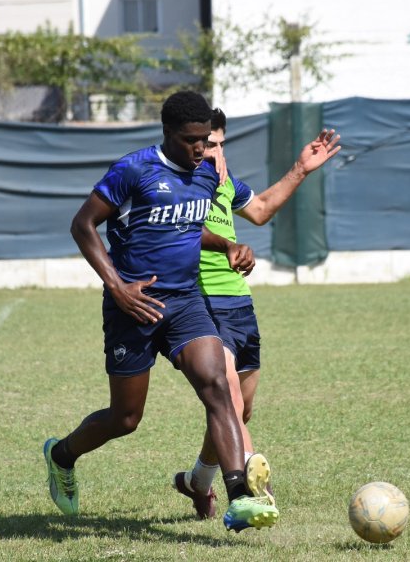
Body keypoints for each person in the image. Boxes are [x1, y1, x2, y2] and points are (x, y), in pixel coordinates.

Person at [43, 91, 279, 533]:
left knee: (217, 386)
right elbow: (82, 224)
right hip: (134, 306)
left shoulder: (207, 175)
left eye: (206, 139)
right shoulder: (134, 170)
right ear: (168, 133)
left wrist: (228, 243)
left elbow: (188, 227)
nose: (200, 149)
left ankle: (239, 497)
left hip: (187, 301)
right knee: (125, 419)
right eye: (192, 140)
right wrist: (117, 287)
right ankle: (61, 455)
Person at [172, 107, 341, 519]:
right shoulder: (174, 186)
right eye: (207, 145)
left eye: (220, 145)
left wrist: (301, 168)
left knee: (239, 410)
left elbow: (262, 209)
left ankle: (197, 481)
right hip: (199, 304)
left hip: (239, 304)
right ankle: (250, 485)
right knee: (227, 399)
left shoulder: (225, 181)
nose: (214, 153)